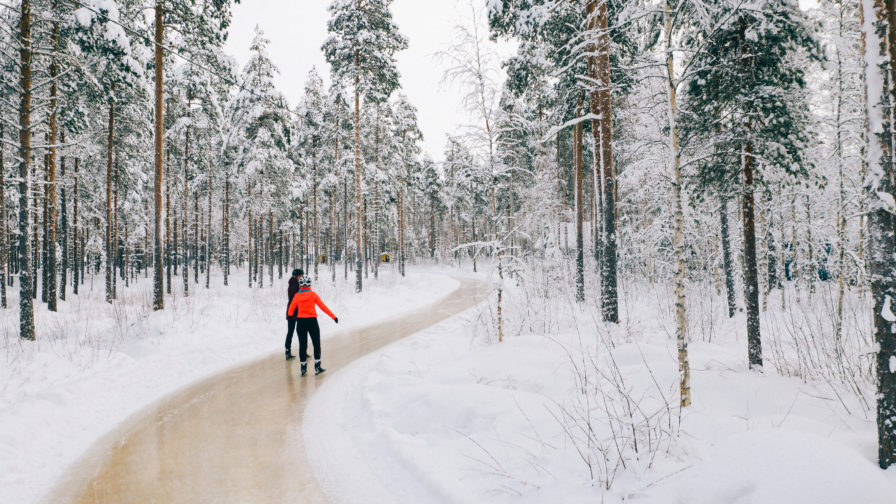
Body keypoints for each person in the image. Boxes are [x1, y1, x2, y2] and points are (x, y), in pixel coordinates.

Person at [286, 276, 338, 376]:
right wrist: (333, 317)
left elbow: (290, 312)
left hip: (300, 322)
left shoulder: (296, 296)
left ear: (300, 285)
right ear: (309, 284)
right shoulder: (313, 295)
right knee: (316, 343)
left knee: (302, 345)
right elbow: (323, 307)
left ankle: (303, 368)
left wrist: (297, 313)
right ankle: (317, 366)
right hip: (312, 322)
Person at [285, 268, 304, 360]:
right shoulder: (294, 285)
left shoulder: (295, 283)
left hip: (295, 310)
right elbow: (296, 297)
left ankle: (289, 351)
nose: (301, 277)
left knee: (294, 331)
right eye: (300, 276)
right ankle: (288, 351)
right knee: (293, 332)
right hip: (294, 311)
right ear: (296, 276)